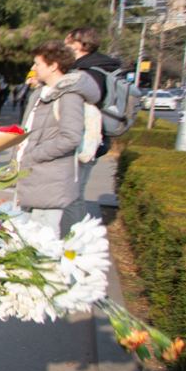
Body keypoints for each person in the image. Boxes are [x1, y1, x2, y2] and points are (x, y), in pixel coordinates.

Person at [14, 41, 100, 237]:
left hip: (50, 180)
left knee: (43, 240)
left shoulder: (69, 96)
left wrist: (34, 154)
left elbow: (70, 137)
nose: (33, 68)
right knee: (23, 235)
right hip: (32, 175)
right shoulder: (39, 93)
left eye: (37, 64)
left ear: (53, 66)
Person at [62, 26, 122, 231]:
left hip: (85, 141)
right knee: (73, 193)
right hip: (88, 139)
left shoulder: (89, 73)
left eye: (68, 42)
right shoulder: (96, 68)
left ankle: (74, 241)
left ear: (80, 44)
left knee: (73, 195)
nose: (65, 46)